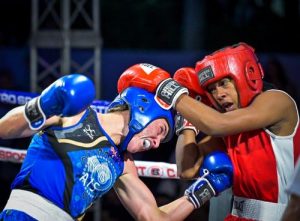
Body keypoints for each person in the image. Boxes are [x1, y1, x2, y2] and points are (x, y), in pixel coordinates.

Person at [0, 70, 233, 221]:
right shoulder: (77, 114)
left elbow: (153, 218)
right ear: (143, 107)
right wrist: (43, 105)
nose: (155, 144)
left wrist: (204, 190)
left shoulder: (122, 164)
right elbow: (4, 128)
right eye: (160, 132)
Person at [117, 43, 300, 221]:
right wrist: (187, 121)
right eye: (212, 89)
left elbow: (217, 124)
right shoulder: (231, 129)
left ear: (246, 76)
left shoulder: (278, 101)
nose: (219, 94)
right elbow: (187, 169)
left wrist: (167, 89)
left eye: (224, 83)